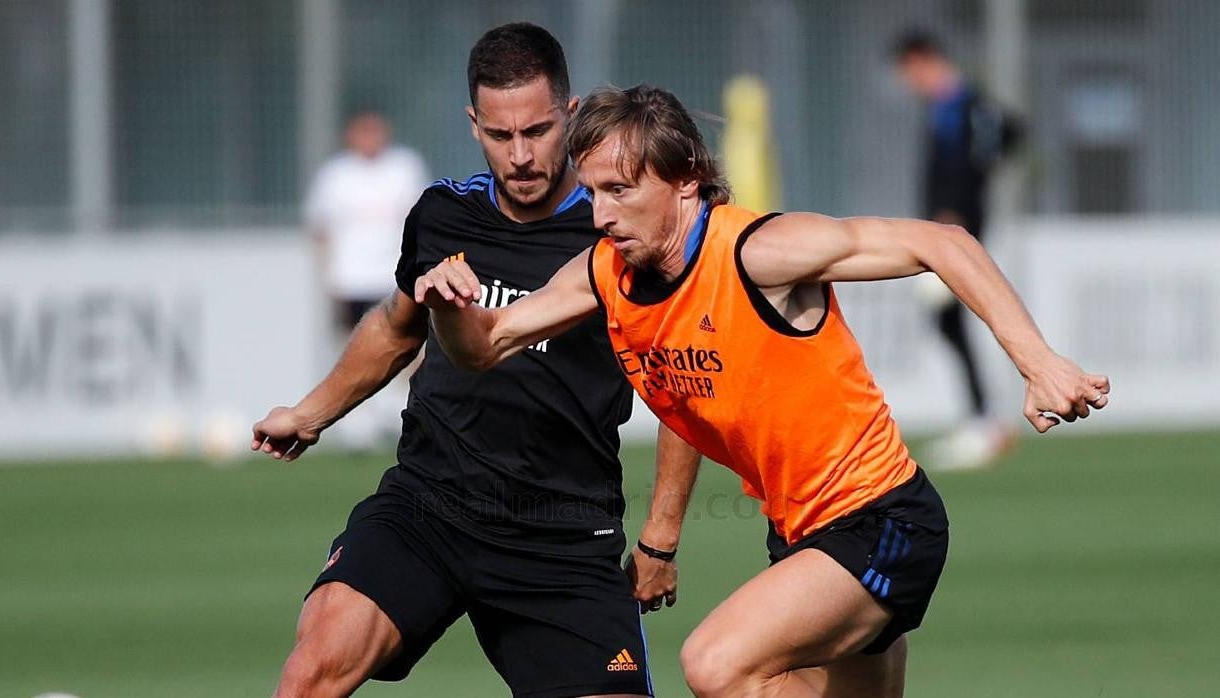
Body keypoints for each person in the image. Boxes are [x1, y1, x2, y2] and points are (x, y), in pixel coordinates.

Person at [414, 84, 1109, 698]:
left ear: (684, 181)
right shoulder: (606, 274)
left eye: (620, 191)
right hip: (799, 540)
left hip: (881, 522)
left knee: (715, 664)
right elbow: (484, 346)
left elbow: (944, 243)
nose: (599, 213)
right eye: (592, 191)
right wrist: (447, 306)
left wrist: (1038, 362)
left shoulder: (758, 253)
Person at [253, 27, 700, 698]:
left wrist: (661, 539)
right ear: (474, 124)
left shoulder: (617, 229)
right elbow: (394, 329)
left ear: (570, 115)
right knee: (314, 662)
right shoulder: (441, 215)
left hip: (562, 534)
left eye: (538, 131)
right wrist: (309, 413)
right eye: (499, 135)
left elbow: (683, 389)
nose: (520, 155)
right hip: (430, 507)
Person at [892, 30, 1024, 470]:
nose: (910, 80)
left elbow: (1005, 138)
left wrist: (958, 211)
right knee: (949, 320)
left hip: (952, 232)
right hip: (941, 232)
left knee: (949, 317)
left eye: (910, 70)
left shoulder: (962, 104)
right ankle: (984, 418)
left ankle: (984, 421)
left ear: (923, 60)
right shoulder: (953, 105)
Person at [304, 110, 430, 446]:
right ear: (351, 134)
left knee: (408, 342)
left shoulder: (404, 168)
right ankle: (357, 420)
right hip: (350, 277)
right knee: (352, 343)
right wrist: (327, 276)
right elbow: (320, 228)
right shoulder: (335, 175)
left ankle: (401, 411)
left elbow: (421, 219)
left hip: (394, 275)